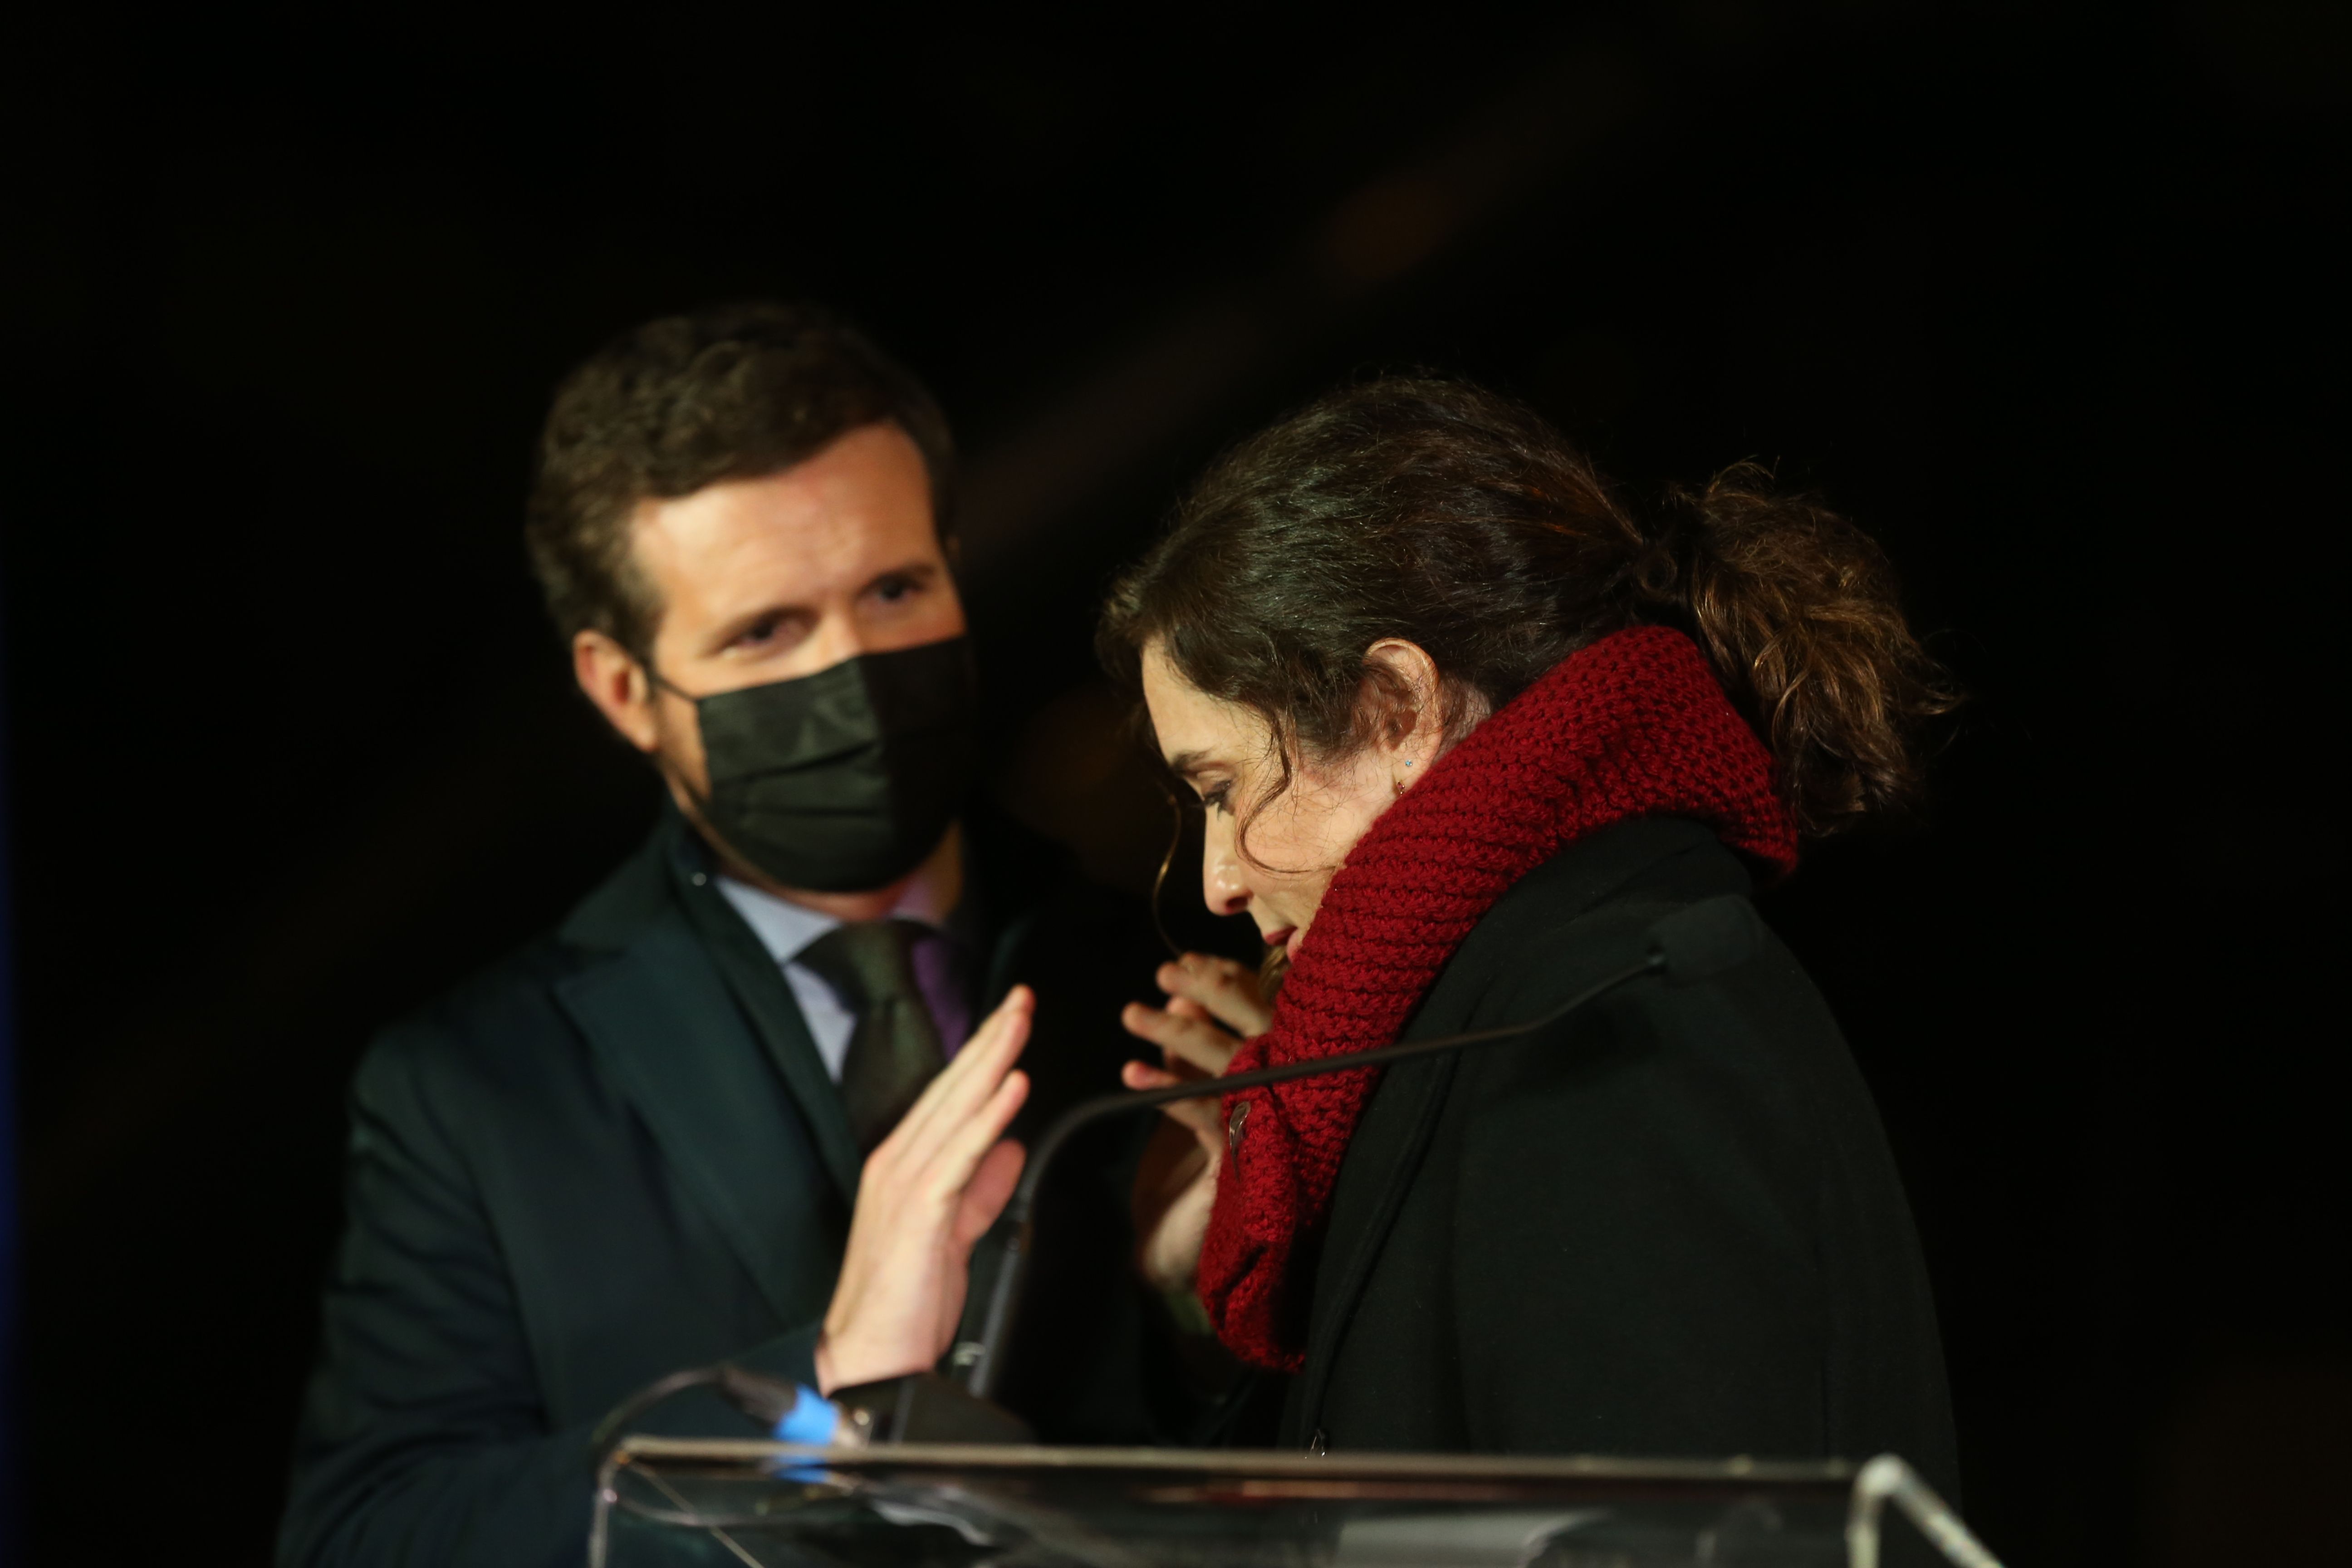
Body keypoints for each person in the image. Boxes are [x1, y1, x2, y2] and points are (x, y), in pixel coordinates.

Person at [278, 303, 1170, 1568]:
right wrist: (829, 1392)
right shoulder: (475, 1091)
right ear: (623, 688)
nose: (854, 671)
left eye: (895, 589)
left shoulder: (1156, 953)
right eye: (767, 631)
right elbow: (371, 1541)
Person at [1100, 376, 1963, 1485]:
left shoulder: (1610, 1023)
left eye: (1222, 788)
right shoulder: (1498, 1010)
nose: (1218, 880)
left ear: (1394, 712)